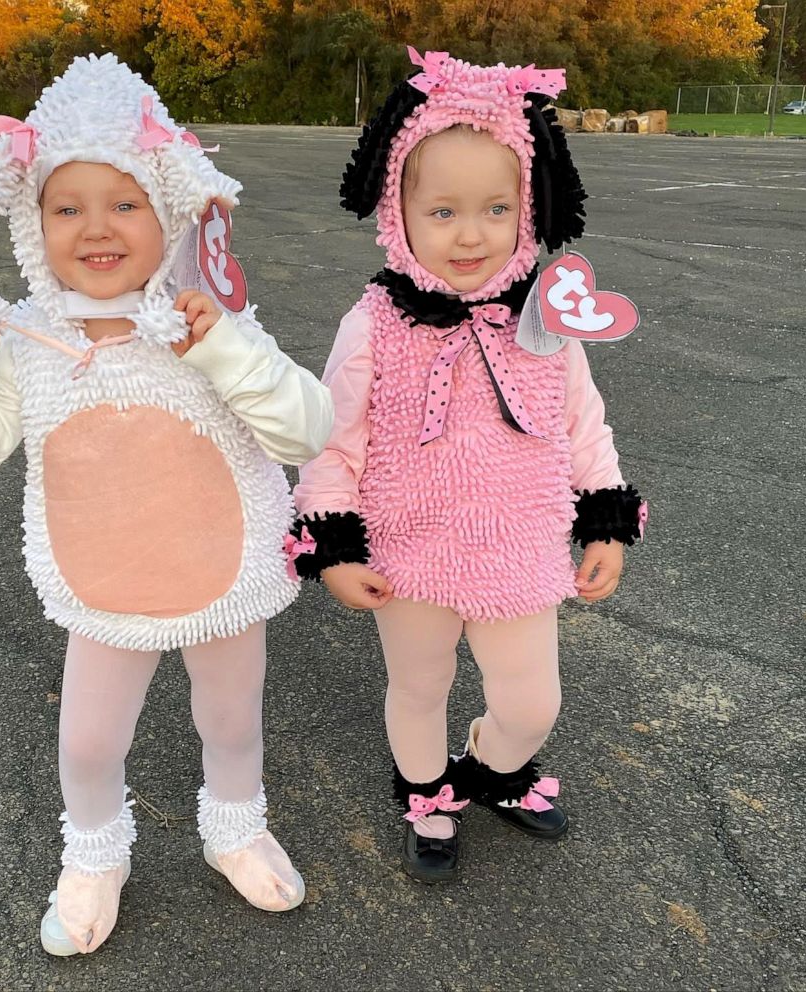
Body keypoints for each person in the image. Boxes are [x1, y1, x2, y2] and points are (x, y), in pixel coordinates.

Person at [0, 54, 333, 953]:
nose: (96, 228)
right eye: (67, 208)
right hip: (103, 587)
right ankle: (96, 855)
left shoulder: (207, 323)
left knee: (231, 720)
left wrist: (223, 353)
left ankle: (236, 827)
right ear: (33, 222)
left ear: (165, 210)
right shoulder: (31, 340)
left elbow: (304, 429)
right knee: (90, 745)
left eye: (124, 203)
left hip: (226, 580)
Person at [290, 49, 647, 883]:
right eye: (443, 210)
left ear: (528, 206)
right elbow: (332, 439)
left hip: (519, 544)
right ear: (397, 210)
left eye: (495, 208)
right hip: (408, 547)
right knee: (419, 686)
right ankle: (426, 794)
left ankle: (491, 769)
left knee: (532, 701)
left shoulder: (544, 320)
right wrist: (335, 547)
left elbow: (581, 424)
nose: (471, 234)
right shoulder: (374, 322)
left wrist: (604, 519)